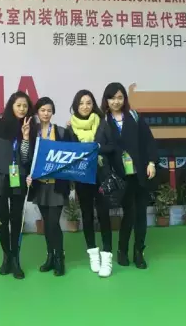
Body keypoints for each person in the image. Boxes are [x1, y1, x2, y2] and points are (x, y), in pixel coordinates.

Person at [100, 82, 158, 270]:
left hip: (139, 174)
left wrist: (151, 162)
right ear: (106, 100)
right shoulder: (103, 121)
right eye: (112, 98)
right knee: (129, 214)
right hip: (120, 177)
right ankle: (122, 250)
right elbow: (99, 148)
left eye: (119, 97)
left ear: (124, 99)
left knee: (141, 214)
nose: (116, 101)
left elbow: (148, 141)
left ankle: (139, 252)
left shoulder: (134, 117)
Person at [0, 91, 36, 279]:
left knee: (17, 219)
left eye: (25, 106)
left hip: (19, 177)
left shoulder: (29, 127)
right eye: (19, 105)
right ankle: (6, 257)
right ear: (11, 106)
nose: (22, 109)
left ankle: (16, 259)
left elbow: (26, 158)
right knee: (2, 219)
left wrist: (26, 137)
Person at [65, 89, 117, 278]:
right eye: (81, 103)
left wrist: (98, 148)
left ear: (93, 104)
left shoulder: (102, 123)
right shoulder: (70, 127)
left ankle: (107, 257)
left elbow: (112, 147)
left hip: (101, 176)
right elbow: (69, 152)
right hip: (82, 178)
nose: (85, 106)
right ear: (76, 106)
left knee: (104, 215)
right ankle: (93, 255)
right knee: (86, 215)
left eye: (88, 103)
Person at [25, 97, 69, 277]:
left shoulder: (61, 132)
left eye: (49, 110)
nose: (46, 113)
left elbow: (70, 155)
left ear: (53, 112)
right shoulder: (32, 132)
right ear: (37, 112)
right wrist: (27, 176)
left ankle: (59, 258)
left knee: (53, 223)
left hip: (57, 185)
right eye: (43, 110)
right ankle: (50, 256)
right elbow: (26, 157)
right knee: (46, 223)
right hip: (40, 186)